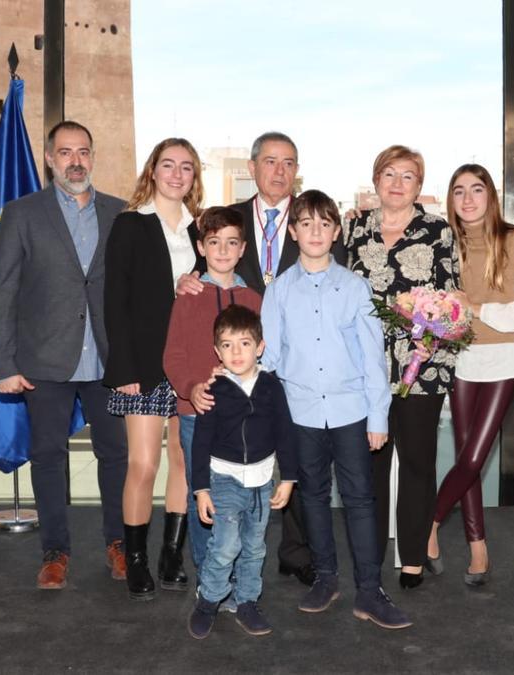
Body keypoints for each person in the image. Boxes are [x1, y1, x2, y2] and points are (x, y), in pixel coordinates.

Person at [0, 120, 129, 590]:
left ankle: (119, 544)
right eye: (65, 152)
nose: (75, 161)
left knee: (117, 456)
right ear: (49, 159)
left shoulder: (120, 213)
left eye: (84, 152)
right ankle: (55, 551)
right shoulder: (23, 213)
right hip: (44, 360)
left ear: (93, 157)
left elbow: (131, 292)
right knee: (48, 456)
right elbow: (3, 290)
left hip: (108, 361)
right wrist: (3, 365)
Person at [175, 131, 320, 587]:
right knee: (216, 484)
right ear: (253, 167)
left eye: (289, 162)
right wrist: (185, 280)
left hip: (280, 371)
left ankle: (286, 560)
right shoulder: (226, 221)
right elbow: (179, 337)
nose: (280, 171)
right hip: (217, 390)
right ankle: (211, 573)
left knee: (276, 470)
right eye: (271, 161)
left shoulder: (315, 218)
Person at [262, 189, 410, 629]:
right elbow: (269, 358)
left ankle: (370, 590)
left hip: (350, 412)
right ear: (293, 231)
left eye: (324, 224)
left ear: (336, 231)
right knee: (311, 499)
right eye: (305, 223)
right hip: (300, 413)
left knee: (361, 500)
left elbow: (372, 357)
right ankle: (326, 578)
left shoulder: (354, 286)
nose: (315, 232)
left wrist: (378, 416)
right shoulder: (280, 291)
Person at [344, 145, 460, 589]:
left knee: (416, 464)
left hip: (421, 366)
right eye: (389, 174)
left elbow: (450, 298)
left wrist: (431, 341)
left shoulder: (437, 231)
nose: (396, 183)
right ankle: (370, 559)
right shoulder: (354, 230)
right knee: (368, 465)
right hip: (364, 369)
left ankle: (412, 557)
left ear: (419, 184)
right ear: (375, 180)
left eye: (407, 176)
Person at [425, 164, 514, 586]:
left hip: (504, 359)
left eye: (477, 190)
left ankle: (430, 522)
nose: (468, 199)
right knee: (465, 459)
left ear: (491, 196)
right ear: (451, 199)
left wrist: (475, 308)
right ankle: (478, 548)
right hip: (459, 359)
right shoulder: (443, 243)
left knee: (474, 456)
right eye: (459, 191)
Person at [103, 137, 204, 599]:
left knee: (183, 459)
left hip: (186, 362)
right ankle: (137, 558)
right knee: (143, 464)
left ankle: (171, 554)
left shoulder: (199, 230)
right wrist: (123, 367)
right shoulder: (130, 225)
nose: (177, 174)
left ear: (193, 177)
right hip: (141, 365)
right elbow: (114, 303)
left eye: (186, 167)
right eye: (169, 165)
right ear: (153, 170)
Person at [163, 206, 262, 583]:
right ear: (201, 247)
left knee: (239, 491)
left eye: (231, 243)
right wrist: (191, 388)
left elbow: (263, 356)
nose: (223, 250)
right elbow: (173, 355)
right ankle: (209, 573)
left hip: (242, 420)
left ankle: (239, 568)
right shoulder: (188, 296)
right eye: (214, 242)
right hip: (196, 414)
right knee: (201, 490)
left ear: (242, 249)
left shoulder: (253, 300)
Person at [186, 305, 298, 639]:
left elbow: (285, 433)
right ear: (216, 350)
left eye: (245, 343)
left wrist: (288, 478)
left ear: (260, 347)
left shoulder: (271, 387)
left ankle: (247, 601)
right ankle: (208, 600)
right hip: (224, 480)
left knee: (254, 548)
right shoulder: (213, 391)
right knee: (224, 546)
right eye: (228, 344)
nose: (237, 352)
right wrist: (201, 489)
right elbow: (200, 444)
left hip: (263, 483)